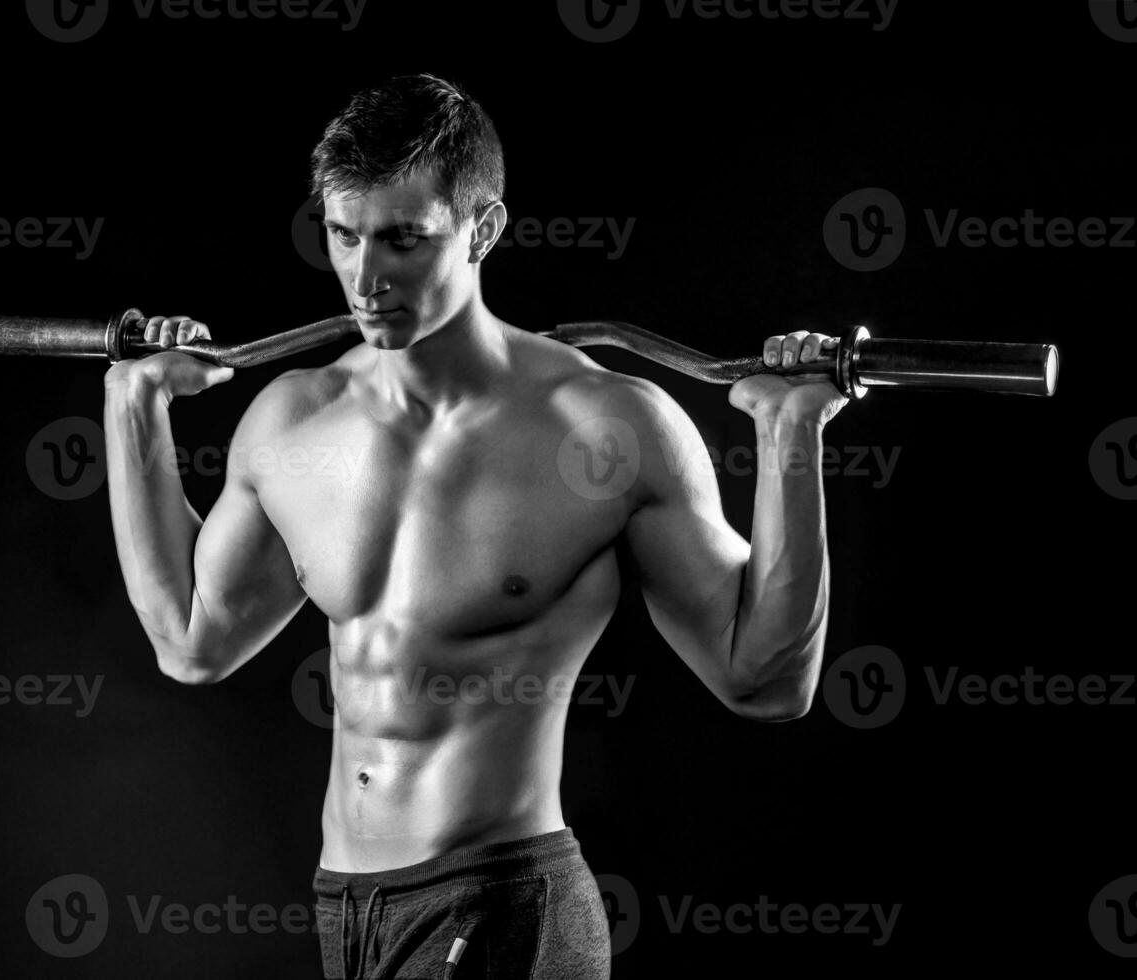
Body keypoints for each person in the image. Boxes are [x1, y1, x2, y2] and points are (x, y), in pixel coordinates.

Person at [102, 72, 847, 979]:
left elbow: (765, 679)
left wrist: (791, 434)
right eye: (344, 236)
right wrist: (132, 404)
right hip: (349, 908)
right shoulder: (295, 418)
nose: (366, 279)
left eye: (404, 241)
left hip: (502, 905)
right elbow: (191, 641)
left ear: (483, 230)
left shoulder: (604, 426)